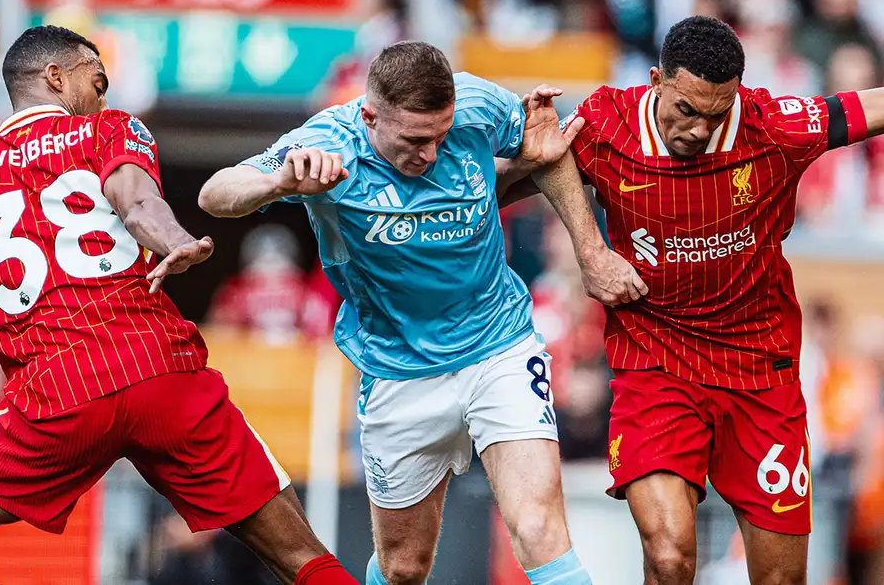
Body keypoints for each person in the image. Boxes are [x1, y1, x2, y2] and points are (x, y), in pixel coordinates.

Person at [0, 26, 358, 585]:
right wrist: (176, 239)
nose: (104, 94)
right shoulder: (110, 129)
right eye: (97, 78)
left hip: (56, 394)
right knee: (302, 557)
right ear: (55, 78)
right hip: (159, 372)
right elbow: (135, 203)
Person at [200, 40, 646, 585]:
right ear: (369, 116)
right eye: (414, 140)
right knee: (404, 567)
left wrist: (592, 251)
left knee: (539, 531)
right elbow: (214, 194)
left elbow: (547, 150)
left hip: (498, 345)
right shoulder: (325, 142)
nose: (431, 153)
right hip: (397, 370)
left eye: (441, 135)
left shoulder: (479, 103)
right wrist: (279, 182)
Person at [505, 14, 884, 585]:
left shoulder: (774, 128)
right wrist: (591, 251)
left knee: (781, 578)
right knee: (669, 554)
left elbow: (868, 108)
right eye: (686, 110)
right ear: (656, 80)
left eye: (716, 113)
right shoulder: (610, 121)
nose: (699, 129)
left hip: (761, 372)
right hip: (655, 365)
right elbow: (540, 162)